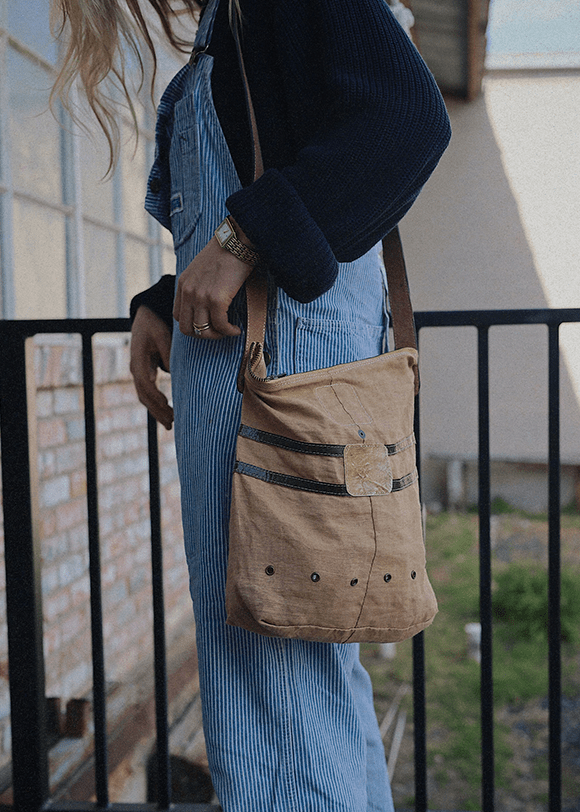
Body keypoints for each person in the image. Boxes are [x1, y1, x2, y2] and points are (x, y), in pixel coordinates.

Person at [53, 0, 450, 809]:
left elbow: (406, 121)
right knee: (302, 675)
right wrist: (171, 297)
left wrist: (240, 243)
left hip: (275, 373)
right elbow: (275, 183)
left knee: (269, 685)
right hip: (268, 361)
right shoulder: (229, 21)